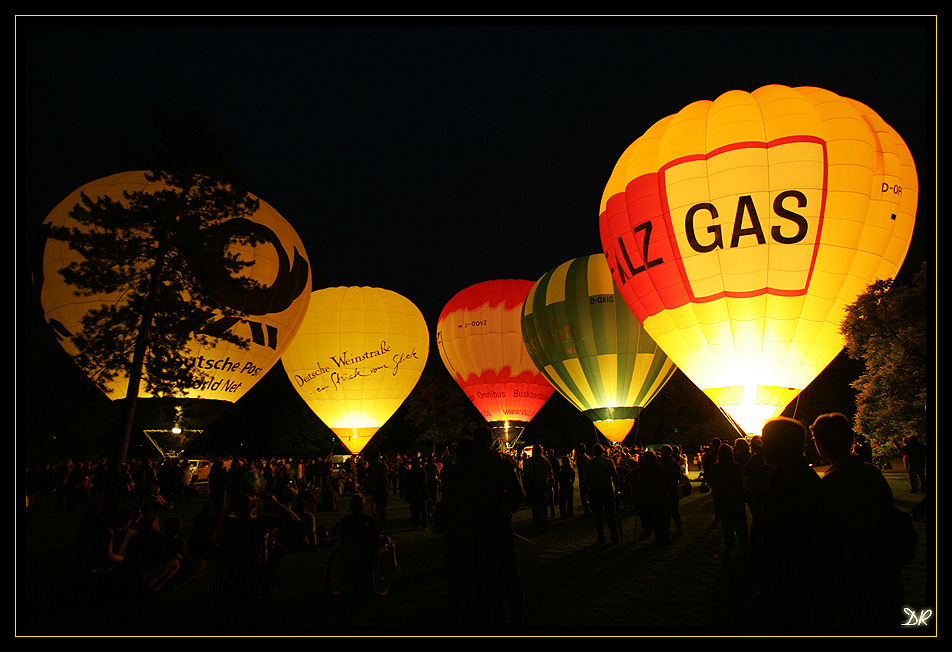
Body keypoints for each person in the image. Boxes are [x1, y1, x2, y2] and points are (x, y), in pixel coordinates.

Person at [812, 413, 904, 626]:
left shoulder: (833, 482)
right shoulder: (870, 472)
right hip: (886, 575)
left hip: (856, 581)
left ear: (821, 444)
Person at [748, 417, 835, 627]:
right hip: (792, 588)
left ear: (779, 445)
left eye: (766, 442)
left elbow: (782, 540)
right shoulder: (795, 478)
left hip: (789, 591)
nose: (763, 447)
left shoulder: (789, 484)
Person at [441, 426, 526, 626]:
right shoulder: (501, 462)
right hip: (499, 523)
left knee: (480, 568)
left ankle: (481, 609)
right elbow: (519, 495)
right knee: (508, 567)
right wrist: (506, 509)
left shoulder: (465, 465)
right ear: (493, 440)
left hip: (474, 525)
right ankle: (513, 609)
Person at [707, 443, 747, 558]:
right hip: (736, 497)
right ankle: (744, 547)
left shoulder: (715, 467)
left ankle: (729, 547)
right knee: (739, 523)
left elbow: (712, 483)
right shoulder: (736, 466)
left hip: (723, 497)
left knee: (727, 525)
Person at [587, 444, 622, 544]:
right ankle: (614, 535)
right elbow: (615, 477)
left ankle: (601, 535)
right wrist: (618, 487)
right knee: (610, 513)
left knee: (598, 515)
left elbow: (587, 478)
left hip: (595, 489)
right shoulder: (608, 463)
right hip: (607, 488)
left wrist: (586, 490)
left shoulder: (590, 463)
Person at [521, 444, 552, 534]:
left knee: (536, 504)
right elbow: (549, 472)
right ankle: (544, 520)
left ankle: (539, 522)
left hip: (534, 483)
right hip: (543, 483)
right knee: (543, 503)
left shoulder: (530, 461)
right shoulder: (545, 461)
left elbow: (526, 474)